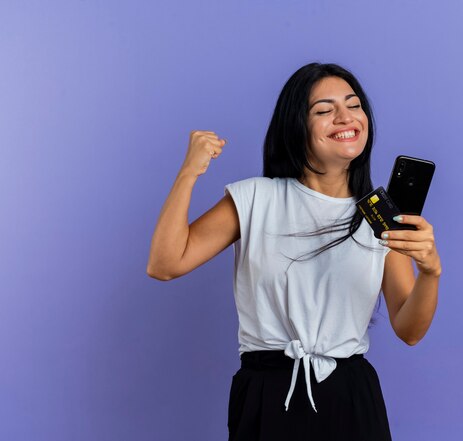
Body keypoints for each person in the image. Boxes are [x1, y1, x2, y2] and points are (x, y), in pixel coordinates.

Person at [146, 62, 441, 441]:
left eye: (353, 105)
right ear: (295, 126)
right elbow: (164, 264)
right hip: (267, 392)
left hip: (350, 396)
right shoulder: (255, 198)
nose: (344, 117)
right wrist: (188, 173)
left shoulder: (380, 215)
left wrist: (431, 272)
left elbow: (409, 329)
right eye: (323, 110)